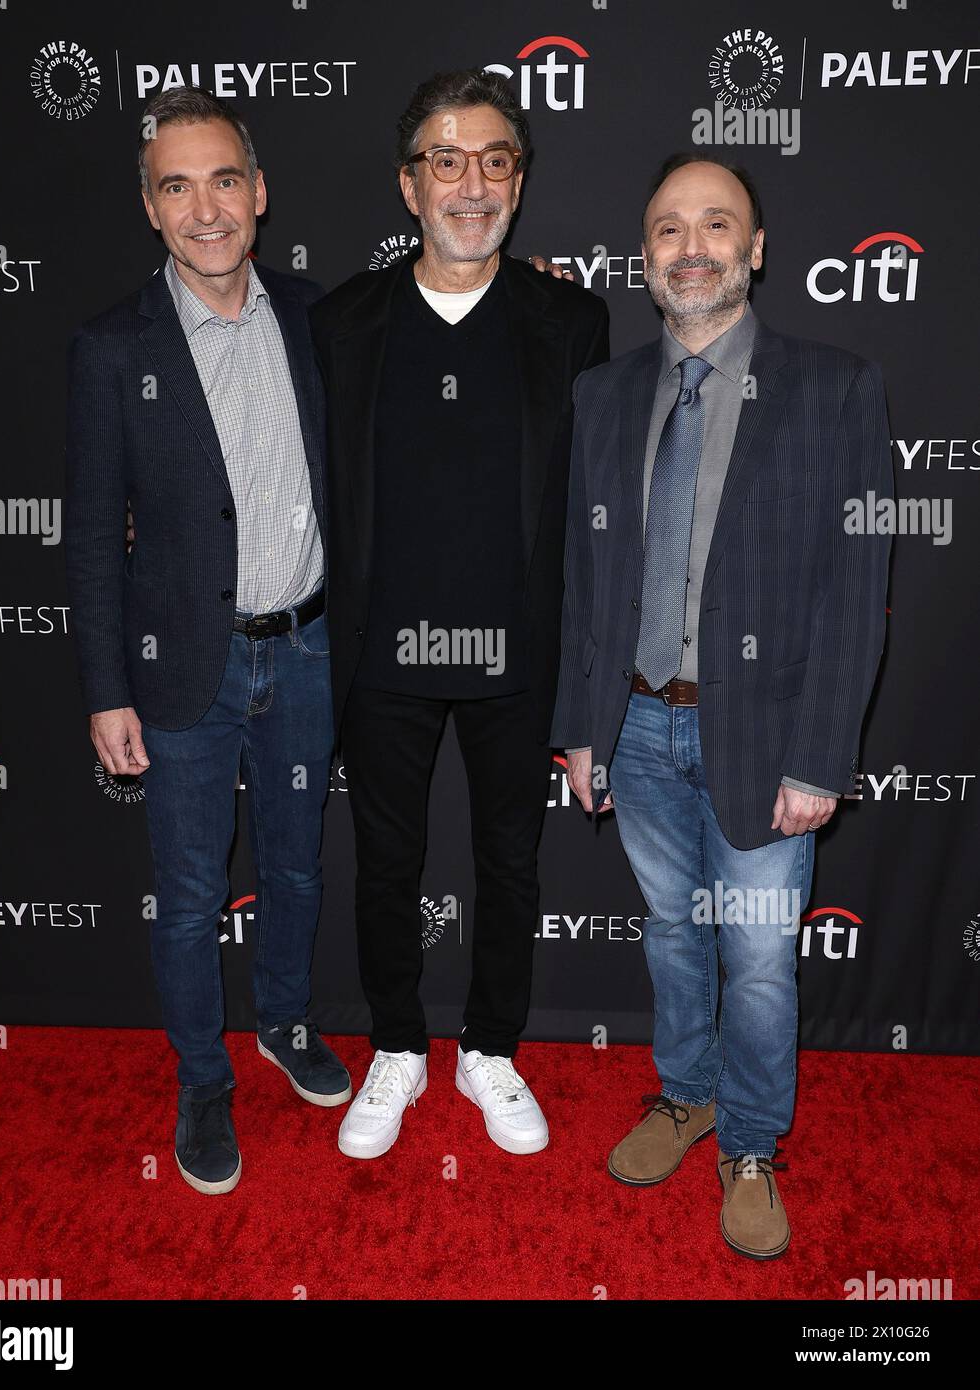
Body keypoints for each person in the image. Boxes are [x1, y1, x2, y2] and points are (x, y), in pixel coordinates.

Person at [552, 154, 892, 1257]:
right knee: (669, 933)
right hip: (637, 727)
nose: (688, 247)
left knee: (752, 955)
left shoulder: (834, 387)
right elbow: (581, 579)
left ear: (754, 250)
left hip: (765, 734)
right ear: (642, 257)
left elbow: (856, 592)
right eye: (665, 230)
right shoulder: (599, 397)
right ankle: (684, 1093)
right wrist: (578, 723)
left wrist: (820, 755)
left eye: (714, 226)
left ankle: (749, 1138)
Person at [309, 68, 609, 1159]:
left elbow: (589, 509)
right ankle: (396, 1044)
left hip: (516, 655)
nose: (469, 183)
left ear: (519, 182)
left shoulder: (571, 318)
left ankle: (489, 1047)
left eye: (494, 161)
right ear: (407, 184)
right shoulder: (342, 320)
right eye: (445, 160)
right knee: (383, 864)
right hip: (379, 653)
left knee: (510, 864)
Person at [64, 86, 349, 1197]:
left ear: (259, 190)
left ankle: (282, 1020)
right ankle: (200, 1077)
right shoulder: (106, 348)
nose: (205, 207)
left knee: (291, 863)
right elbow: (91, 537)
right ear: (149, 207)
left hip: (312, 649)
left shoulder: (314, 312)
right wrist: (103, 688)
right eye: (175, 186)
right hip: (184, 667)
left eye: (222, 178)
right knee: (188, 892)